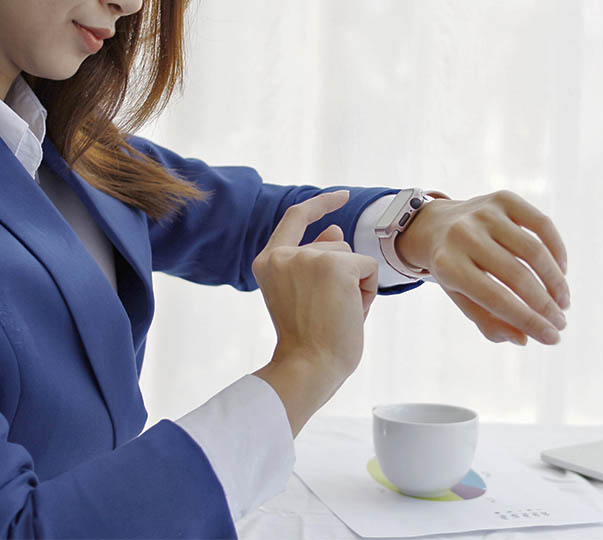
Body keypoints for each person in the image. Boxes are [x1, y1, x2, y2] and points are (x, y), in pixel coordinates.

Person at [0, 0, 570, 537]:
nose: (129, 4)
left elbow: (243, 218)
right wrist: (302, 370)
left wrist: (420, 225)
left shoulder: (55, 142)